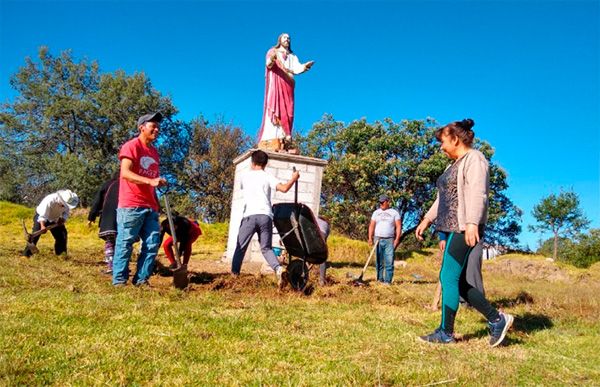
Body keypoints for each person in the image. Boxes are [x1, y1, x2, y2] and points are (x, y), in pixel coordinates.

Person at [415, 118, 513, 347]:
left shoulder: (475, 159)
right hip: (451, 228)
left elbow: (479, 193)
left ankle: (446, 333)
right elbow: (443, 198)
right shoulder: (453, 165)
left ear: (455, 139)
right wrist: (427, 220)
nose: (441, 147)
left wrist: (471, 223)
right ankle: (497, 319)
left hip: (463, 227)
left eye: (443, 142)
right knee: (455, 281)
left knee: (447, 276)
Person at [231, 150, 300, 289]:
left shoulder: (245, 177)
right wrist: (294, 178)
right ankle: (278, 269)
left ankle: (234, 277)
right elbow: (284, 188)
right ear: (265, 163)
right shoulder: (268, 177)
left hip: (249, 216)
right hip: (266, 216)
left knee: (240, 248)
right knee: (266, 248)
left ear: (252, 162)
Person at [112, 112, 167, 287]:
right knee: (125, 242)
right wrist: (150, 180)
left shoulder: (154, 153)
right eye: (153, 126)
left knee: (152, 244)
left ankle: (141, 280)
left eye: (158, 127)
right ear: (142, 128)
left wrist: (156, 194)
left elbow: (152, 180)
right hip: (131, 205)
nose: (157, 130)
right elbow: (125, 173)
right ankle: (119, 281)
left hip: (150, 206)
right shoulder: (131, 146)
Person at [257, 33, 314, 146]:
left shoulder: (292, 56)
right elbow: (268, 64)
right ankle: (274, 136)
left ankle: (286, 136)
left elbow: (297, 68)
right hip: (277, 82)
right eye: (285, 37)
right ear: (279, 40)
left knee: (289, 111)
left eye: (289, 38)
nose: (287, 39)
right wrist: (272, 59)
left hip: (288, 84)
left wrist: (305, 66)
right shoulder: (273, 51)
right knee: (276, 106)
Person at [22, 189, 79, 257]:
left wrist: (63, 219)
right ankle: (26, 255)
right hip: (41, 217)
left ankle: (61, 255)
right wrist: (42, 226)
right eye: (64, 204)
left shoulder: (68, 202)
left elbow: (66, 212)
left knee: (62, 236)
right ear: (61, 199)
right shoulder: (49, 200)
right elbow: (42, 215)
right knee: (34, 236)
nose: (65, 206)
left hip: (55, 219)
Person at [88, 171, 119, 274]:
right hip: (125, 218)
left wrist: (91, 217)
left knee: (110, 242)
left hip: (109, 218)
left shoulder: (107, 184)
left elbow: (97, 201)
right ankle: (121, 267)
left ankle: (111, 267)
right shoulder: (128, 185)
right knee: (123, 243)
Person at [368, 194, 402, 284]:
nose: (381, 204)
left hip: (389, 239)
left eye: (383, 202)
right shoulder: (376, 213)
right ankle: (379, 279)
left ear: (388, 202)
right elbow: (372, 225)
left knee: (389, 261)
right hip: (377, 239)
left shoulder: (394, 212)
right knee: (379, 261)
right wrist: (370, 238)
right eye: (380, 202)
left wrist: (397, 239)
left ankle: (387, 281)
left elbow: (398, 226)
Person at [316, 215, 331, 286]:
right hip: (322, 236)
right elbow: (325, 240)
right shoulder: (327, 225)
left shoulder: (316, 219)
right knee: (323, 258)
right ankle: (322, 280)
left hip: (312, 234)